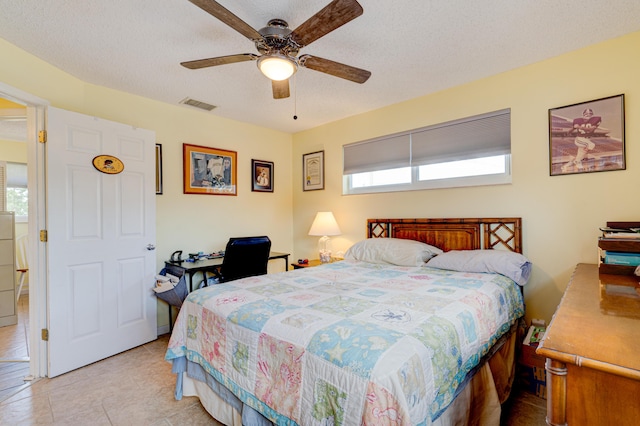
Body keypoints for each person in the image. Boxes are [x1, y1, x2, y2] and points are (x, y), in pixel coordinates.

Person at [562, 108, 601, 172]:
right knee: (591, 145)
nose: (588, 115)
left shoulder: (595, 120)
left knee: (580, 156)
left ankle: (565, 166)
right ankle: (577, 162)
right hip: (580, 139)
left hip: (587, 140)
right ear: (583, 114)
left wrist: (579, 127)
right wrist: (571, 130)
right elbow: (570, 130)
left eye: (590, 113)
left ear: (592, 114)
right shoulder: (578, 121)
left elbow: (591, 129)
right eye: (586, 113)